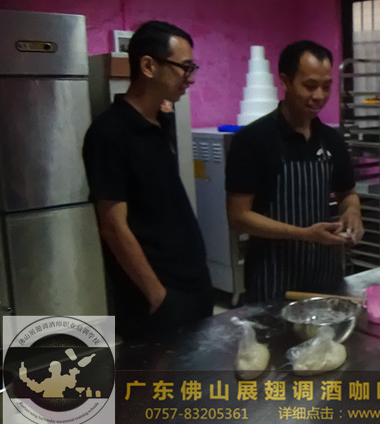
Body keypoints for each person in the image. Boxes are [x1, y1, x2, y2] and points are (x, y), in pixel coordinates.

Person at [82, 21, 211, 339]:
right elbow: (113, 226)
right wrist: (157, 296)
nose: (191, 78)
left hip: (191, 283)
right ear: (149, 66)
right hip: (158, 298)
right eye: (185, 68)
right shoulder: (109, 133)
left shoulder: (160, 124)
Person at [226, 40, 363, 302]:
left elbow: (347, 193)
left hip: (325, 278)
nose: (319, 96)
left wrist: (352, 212)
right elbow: (238, 216)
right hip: (272, 279)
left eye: (326, 86)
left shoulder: (331, 139)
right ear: (285, 81)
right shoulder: (253, 140)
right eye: (310, 86)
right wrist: (305, 234)